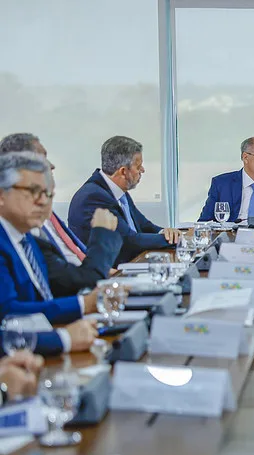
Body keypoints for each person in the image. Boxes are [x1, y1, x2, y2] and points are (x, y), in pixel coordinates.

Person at [0, 133, 122, 295]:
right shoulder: (21, 230)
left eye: (47, 194)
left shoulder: (30, 231)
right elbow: (14, 309)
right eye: (41, 160)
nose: (51, 166)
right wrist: (82, 304)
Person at [0, 152, 98, 354]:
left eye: (48, 194)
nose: (43, 202)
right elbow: (8, 315)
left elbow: (39, 302)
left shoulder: (27, 239)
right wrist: (65, 336)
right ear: (2, 195)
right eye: (34, 191)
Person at [68, 136, 181, 265]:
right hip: (112, 273)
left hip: (132, 262)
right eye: (138, 167)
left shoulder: (116, 190)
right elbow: (128, 240)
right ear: (123, 172)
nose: (142, 170)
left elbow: (144, 225)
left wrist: (166, 232)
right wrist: (172, 240)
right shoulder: (93, 197)